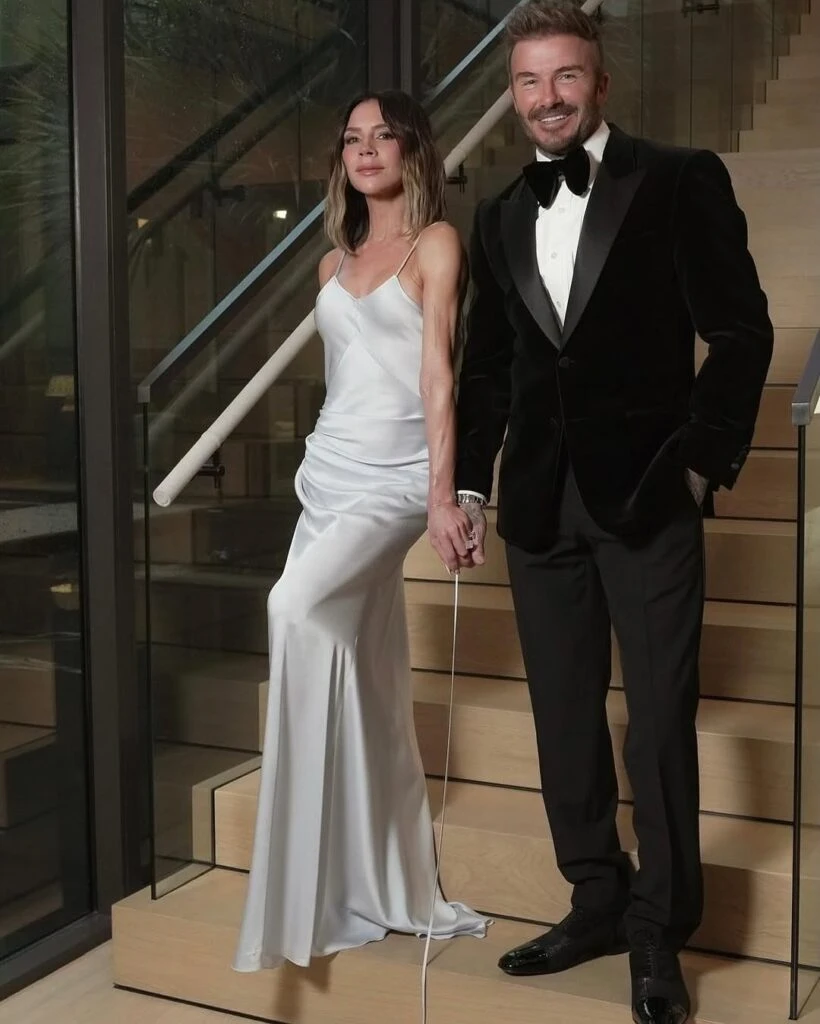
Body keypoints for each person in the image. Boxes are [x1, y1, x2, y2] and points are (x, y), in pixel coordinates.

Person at [439, 3, 774, 1023]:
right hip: (540, 507)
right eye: (528, 81)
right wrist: (468, 487)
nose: (547, 97)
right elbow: (487, 368)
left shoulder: (677, 178)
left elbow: (742, 330)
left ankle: (659, 930)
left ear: (600, 81)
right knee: (562, 717)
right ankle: (595, 897)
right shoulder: (498, 213)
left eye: (565, 76)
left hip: (647, 497)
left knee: (660, 720)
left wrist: (698, 466)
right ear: (512, 94)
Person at [232, 90, 486, 972]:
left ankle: (301, 877)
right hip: (329, 475)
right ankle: (350, 875)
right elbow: (345, 375)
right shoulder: (331, 264)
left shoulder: (436, 244)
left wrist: (444, 498)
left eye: (383, 135)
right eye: (351, 138)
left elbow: (438, 377)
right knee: (357, 659)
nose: (366, 149)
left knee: (292, 610)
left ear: (413, 150)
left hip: (394, 483)